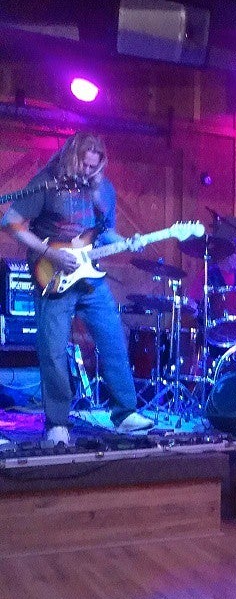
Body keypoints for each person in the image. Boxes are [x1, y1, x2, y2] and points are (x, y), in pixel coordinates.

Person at [1, 132, 154, 445]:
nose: (88, 171)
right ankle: (58, 423)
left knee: (113, 337)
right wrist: (50, 253)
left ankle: (124, 413)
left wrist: (127, 242)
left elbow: (105, 232)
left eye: (94, 166)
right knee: (53, 350)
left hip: (89, 277)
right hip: (53, 275)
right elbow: (11, 221)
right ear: (72, 157)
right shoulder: (47, 182)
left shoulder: (103, 189)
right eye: (84, 164)